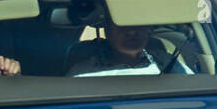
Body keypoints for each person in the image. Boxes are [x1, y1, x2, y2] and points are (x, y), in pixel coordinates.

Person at [66, 23, 194, 77]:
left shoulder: (167, 62)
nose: (132, 32)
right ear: (107, 31)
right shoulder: (83, 73)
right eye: (122, 25)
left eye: (137, 24)